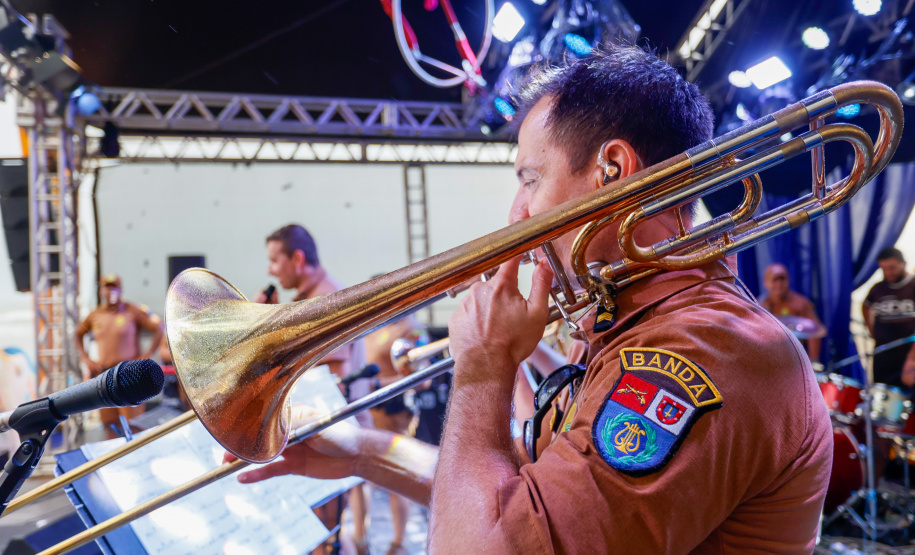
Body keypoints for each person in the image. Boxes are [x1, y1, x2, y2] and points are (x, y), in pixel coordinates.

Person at [231, 47, 832, 551]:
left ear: (613, 171)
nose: (516, 214)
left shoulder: (700, 349)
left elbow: (487, 542)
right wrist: (364, 452)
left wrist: (484, 368)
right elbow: (521, 495)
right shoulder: (626, 324)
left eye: (529, 179)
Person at [259, 224, 371, 555]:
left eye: (274, 260)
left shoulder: (323, 301)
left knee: (323, 539)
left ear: (297, 258)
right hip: (317, 436)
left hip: (325, 436)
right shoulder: (309, 299)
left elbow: (328, 381)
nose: (269, 270)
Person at [363, 315, 429, 555]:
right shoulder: (375, 328)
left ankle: (399, 543)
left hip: (395, 412)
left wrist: (379, 385)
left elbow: (425, 379)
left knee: (396, 477)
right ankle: (363, 538)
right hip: (372, 412)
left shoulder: (411, 328)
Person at [75, 273, 164, 439]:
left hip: (127, 376)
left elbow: (158, 328)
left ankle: (138, 460)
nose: (111, 291)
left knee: (135, 425)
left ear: (120, 289)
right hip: (104, 375)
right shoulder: (96, 315)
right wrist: (86, 359)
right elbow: (78, 334)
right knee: (111, 424)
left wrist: (147, 355)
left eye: (114, 286)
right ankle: (113, 462)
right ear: (101, 291)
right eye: (107, 287)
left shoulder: (131, 311)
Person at [863, 247, 915, 389]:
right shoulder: (878, 288)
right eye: (883, 269)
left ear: (903, 264)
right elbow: (866, 306)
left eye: (891, 268)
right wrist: (871, 329)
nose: (888, 273)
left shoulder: (912, 285)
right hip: (883, 353)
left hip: (908, 355)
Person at [759, 263, 823, 363]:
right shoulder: (760, 306)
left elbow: (814, 332)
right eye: (775, 280)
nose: (779, 284)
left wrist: (813, 361)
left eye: (782, 279)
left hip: (795, 361)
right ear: (766, 282)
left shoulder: (801, 303)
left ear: (788, 280)